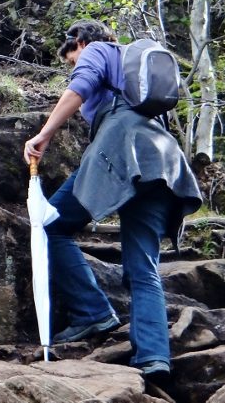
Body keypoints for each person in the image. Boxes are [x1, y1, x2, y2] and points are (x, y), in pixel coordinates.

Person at [22, 20, 202, 384]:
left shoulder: (100, 51)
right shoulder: (139, 76)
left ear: (81, 42)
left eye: (72, 58)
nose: (74, 65)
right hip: (164, 163)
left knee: (51, 225)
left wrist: (44, 134)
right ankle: (153, 358)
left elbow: (81, 87)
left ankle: (92, 312)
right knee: (143, 268)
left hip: (121, 149)